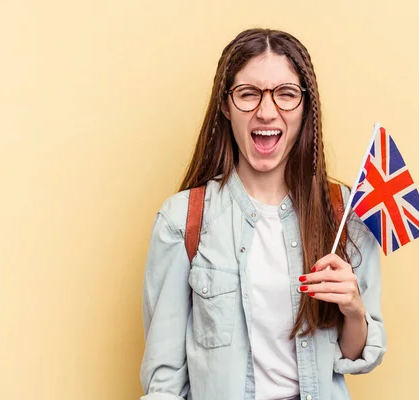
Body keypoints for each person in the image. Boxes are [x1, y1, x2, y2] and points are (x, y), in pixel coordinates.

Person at [140, 28, 386, 400]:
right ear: (225, 105)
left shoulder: (343, 213)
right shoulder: (182, 221)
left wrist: (353, 310)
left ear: (305, 107)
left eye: (286, 94)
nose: (266, 111)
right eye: (248, 94)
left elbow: (352, 356)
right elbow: (164, 381)